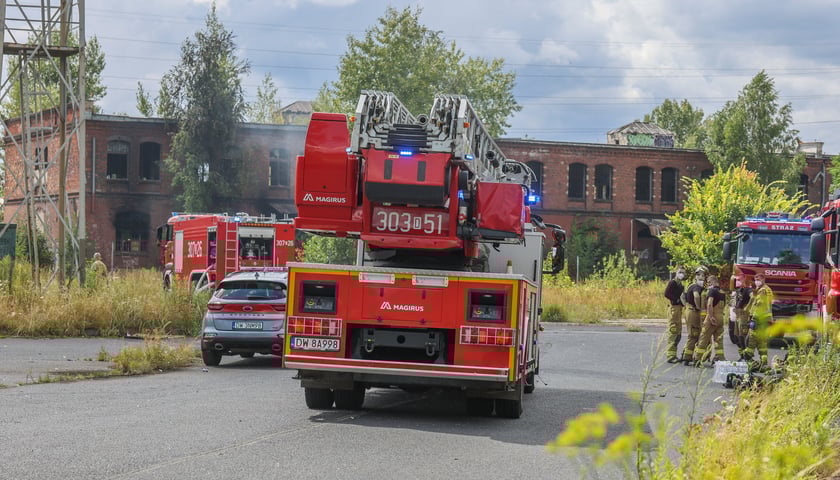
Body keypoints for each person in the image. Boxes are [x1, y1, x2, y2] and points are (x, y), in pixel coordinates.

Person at [693, 275, 727, 366]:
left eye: (708, 282)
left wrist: (711, 317)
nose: (708, 284)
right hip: (720, 319)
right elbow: (724, 306)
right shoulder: (723, 292)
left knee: (703, 339)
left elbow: (709, 304)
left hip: (712, 318)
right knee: (718, 341)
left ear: (712, 282)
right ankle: (720, 360)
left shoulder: (712, 291)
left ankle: (697, 359)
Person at [744, 272, 774, 370]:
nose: (756, 282)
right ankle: (764, 363)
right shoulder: (767, 289)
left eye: (758, 280)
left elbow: (759, 305)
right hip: (766, 319)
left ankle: (748, 359)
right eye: (755, 280)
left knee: (752, 339)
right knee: (762, 342)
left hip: (759, 319)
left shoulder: (762, 291)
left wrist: (753, 319)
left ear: (763, 279)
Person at [681, 266, 707, 365]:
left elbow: (682, 296)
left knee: (693, 334)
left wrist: (686, 306)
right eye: (699, 275)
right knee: (694, 335)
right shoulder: (696, 287)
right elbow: (696, 296)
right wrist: (698, 307)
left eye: (703, 275)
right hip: (694, 312)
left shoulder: (690, 286)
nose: (701, 277)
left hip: (689, 310)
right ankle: (686, 358)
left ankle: (686, 355)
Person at [663, 265, 687, 363]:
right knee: (673, 332)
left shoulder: (680, 284)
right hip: (673, 309)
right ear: (676, 273)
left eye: (683, 272)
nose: (681, 274)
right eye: (680, 272)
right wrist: (676, 299)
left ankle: (674, 354)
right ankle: (670, 356)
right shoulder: (672, 283)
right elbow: (666, 293)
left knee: (678, 333)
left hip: (679, 309)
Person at [733, 274, 753, 360]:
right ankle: (742, 355)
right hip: (738, 314)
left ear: (745, 278)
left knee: (743, 335)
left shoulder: (748, 289)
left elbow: (753, 297)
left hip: (744, 315)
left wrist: (747, 307)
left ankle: (747, 356)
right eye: (737, 279)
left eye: (739, 279)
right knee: (737, 335)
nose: (738, 281)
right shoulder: (739, 290)